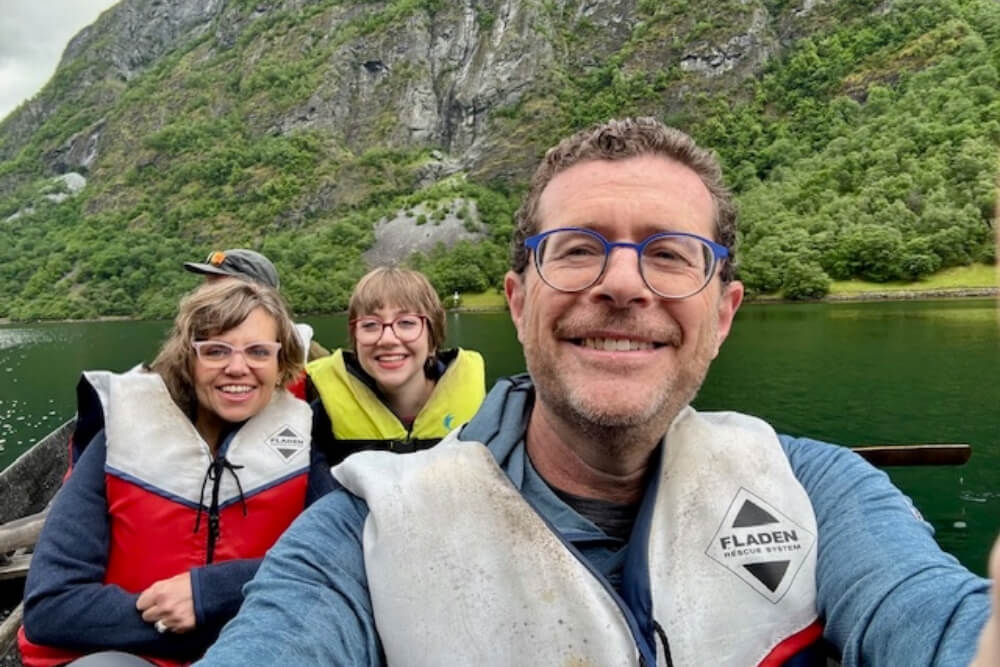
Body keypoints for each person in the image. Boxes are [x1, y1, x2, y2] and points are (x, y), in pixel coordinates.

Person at [193, 118, 997, 666]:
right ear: (516, 301)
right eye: (576, 249)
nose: (621, 283)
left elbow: (933, 618)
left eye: (671, 254)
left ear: (723, 312)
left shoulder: (826, 494)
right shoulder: (357, 536)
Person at [19, 280, 335, 667]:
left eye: (258, 352)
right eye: (215, 351)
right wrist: (174, 621)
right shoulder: (116, 440)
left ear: (280, 363)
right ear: (187, 359)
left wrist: (208, 596)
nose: (238, 367)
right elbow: (50, 608)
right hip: (136, 656)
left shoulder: (302, 444)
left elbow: (336, 561)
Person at [305, 266, 485, 465]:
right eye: (370, 325)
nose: (387, 339)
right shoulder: (319, 418)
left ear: (433, 340)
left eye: (406, 323)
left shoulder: (485, 413)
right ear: (356, 341)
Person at [183, 248, 329, 364]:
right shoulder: (186, 351)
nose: (206, 298)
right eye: (209, 287)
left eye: (223, 291)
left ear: (262, 296)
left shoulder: (313, 359)